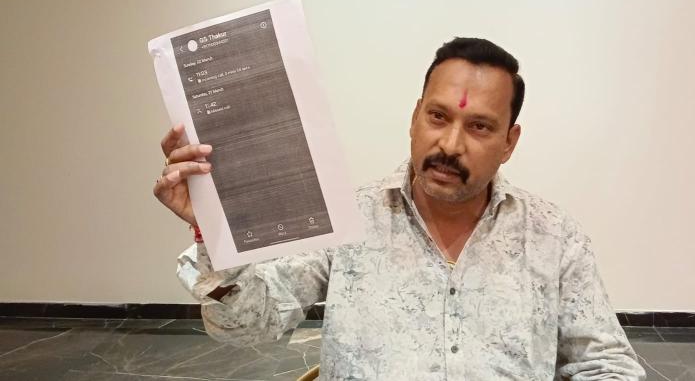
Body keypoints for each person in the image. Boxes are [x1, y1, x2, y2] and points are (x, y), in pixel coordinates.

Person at [154, 37, 646, 380]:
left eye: (479, 126)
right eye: (438, 117)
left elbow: (608, 365)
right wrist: (212, 230)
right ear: (415, 117)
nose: (450, 144)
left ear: (509, 142)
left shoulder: (553, 237)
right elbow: (247, 326)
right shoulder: (347, 219)